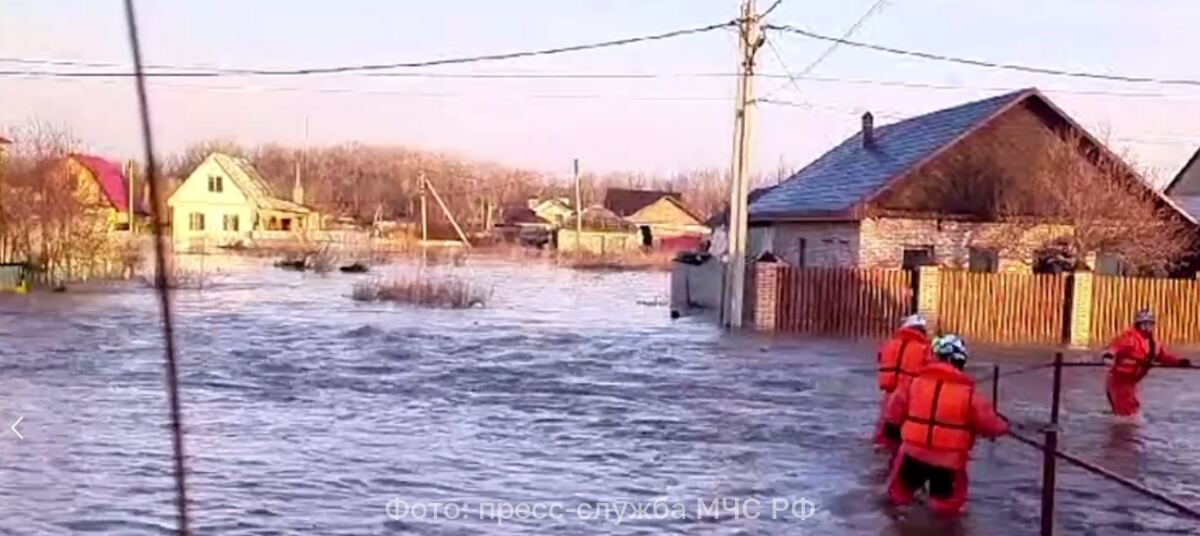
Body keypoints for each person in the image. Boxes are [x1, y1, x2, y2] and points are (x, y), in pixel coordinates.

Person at [885, 335, 1009, 517]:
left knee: (898, 499)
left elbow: (893, 413)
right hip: (948, 463)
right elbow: (990, 425)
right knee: (947, 511)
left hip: (913, 454)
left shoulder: (913, 383)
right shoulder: (969, 393)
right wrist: (1005, 426)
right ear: (960, 362)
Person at [1102, 309, 1192, 417]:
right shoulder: (1129, 338)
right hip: (1119, 381)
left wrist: (1178, 362)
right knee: (1127, 415)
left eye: (1150, 323)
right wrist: (1108, 356)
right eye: (1144, 324)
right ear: (1138, 324)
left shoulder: (1153, 343)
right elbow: (1115, 346)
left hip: (1131, 382)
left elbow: (1163, 357)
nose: (1147, 327)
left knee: (1132, 411)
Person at [874, 314, 932, 451]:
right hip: (911, 396)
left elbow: (880, 358)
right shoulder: (925, 349)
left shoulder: (889, 344)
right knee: (907, 433)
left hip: (890, 394)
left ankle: (880, 448)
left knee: (883, 430)